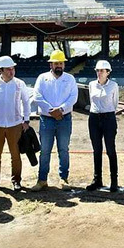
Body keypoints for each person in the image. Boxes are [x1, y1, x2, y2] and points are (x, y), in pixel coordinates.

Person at [0, 56, 30, 192]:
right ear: (0, 70)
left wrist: (26, 120)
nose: (11, 71)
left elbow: (26, 102)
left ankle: (16, 181)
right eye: (8, 69)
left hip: (15, 125)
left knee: (16, 154)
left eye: (12, 68)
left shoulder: (20, 84)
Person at [31, 50, 78, 192]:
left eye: (61, 63)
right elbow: (37, 96)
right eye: (56, 63)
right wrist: (51, 110)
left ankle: (64, 178)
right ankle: (42, 180)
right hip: (47, 119)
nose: (59, 65)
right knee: (45, 150)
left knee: (63, 149)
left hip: (64, 119)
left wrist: (61, 110)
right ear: (51, 64)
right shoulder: (42, 78)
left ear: (64, 64)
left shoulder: (70, 79)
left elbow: (73, 97)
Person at [86, 60, 119, 192]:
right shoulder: (91, 85)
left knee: (110, 149)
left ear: (108, 72)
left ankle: (114, 180)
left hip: (108, 118)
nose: (99, 73)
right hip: (94, 117)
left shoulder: (113, 86)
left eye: (102, 71)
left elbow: (115, 103)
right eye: (98, 70)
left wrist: (107, 112)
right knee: (97, 149)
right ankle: (97, 179)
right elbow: (91, 100)